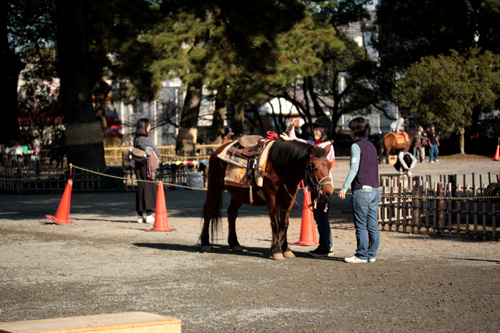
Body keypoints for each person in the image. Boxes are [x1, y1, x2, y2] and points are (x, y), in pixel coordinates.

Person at [280, 116, 335, 258]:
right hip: (314, 187)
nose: (314, 131)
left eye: (318, 129)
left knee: (322, 217)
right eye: (314, 128)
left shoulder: (327, 146)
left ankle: (326, 247)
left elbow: (324, 167)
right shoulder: (312, 144)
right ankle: (324, 245)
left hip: (323, 186)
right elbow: (295, 139)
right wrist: (291, 127)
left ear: (325, 132)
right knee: (319, 216)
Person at [338, 117, 380, 264]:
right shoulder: (372, 146)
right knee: (373, 224)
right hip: (375, 190)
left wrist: (344, 187)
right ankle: (371, 254)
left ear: (355, 131)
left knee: (361, 225)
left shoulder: (356, 146)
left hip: (361, 190)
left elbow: (354, 168)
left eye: (350, 129)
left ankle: (361, 255)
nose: (349, 132)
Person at [134, 118, 161, 224]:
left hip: (138, 165)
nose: (150, 127)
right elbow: (157, 152)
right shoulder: (146, 140)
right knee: (149, 188)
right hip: (147, 166)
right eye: (149, 125)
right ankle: (149, 214)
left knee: (140, 188)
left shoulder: (136, 139)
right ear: (145, 127)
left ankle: (140, 215)